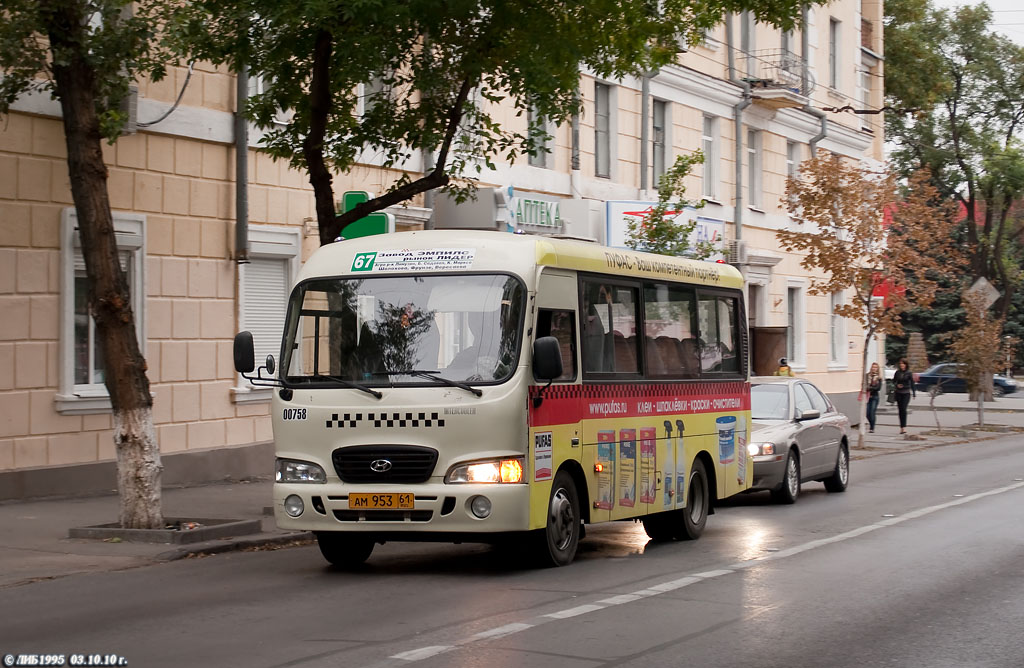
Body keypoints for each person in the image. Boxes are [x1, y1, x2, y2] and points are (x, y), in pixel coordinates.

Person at [892, 357, 916, 434]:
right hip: (898, 392)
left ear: (906, 365)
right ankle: (901, 427)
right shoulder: (897, 372)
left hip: (906, 393)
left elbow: (911, 383)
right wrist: (897, 385)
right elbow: (894, 381)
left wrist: (914, 392)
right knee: (900, 410)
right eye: (901, 364)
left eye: (903, 364)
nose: (902, 365)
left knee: (903, 409)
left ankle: (904, 427)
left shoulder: (909, 373)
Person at [865, 362, 882, 433]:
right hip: (868, 396)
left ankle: (872, 427)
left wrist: (870, 388)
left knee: (872, 412)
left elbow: (878, 388)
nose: (874, 369)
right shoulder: (867, 376)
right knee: (867, 413)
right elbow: (864, 385)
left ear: (877, 369)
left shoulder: (878, 378)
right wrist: (870, 388)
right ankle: (871, 423)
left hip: (875, 396)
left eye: (875, 367)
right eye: (873, 367)